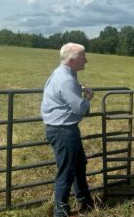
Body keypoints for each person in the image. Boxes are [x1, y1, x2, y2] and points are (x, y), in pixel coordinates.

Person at [41, 42, 94, 217]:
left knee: (79, 166)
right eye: (83, 57)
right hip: (63, 130)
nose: (86, 59)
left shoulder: (63, 73)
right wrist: (87, 98)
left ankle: (86, 203)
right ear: (72, 60)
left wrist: (78, 88)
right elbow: (80, 109)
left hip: (64, 128)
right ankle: (60, 213)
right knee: (67, 172)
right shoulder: (66, 79)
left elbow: (65, 91)